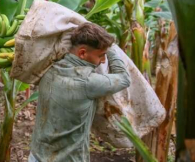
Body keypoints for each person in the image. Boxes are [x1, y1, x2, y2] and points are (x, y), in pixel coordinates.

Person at [29, 22, 131, 162]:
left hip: (36, 156)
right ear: (82, 53)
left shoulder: (48, 70)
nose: (102, 61)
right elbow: (124, 78)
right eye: (101, 55)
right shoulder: (88, 82)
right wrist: (111, 48)